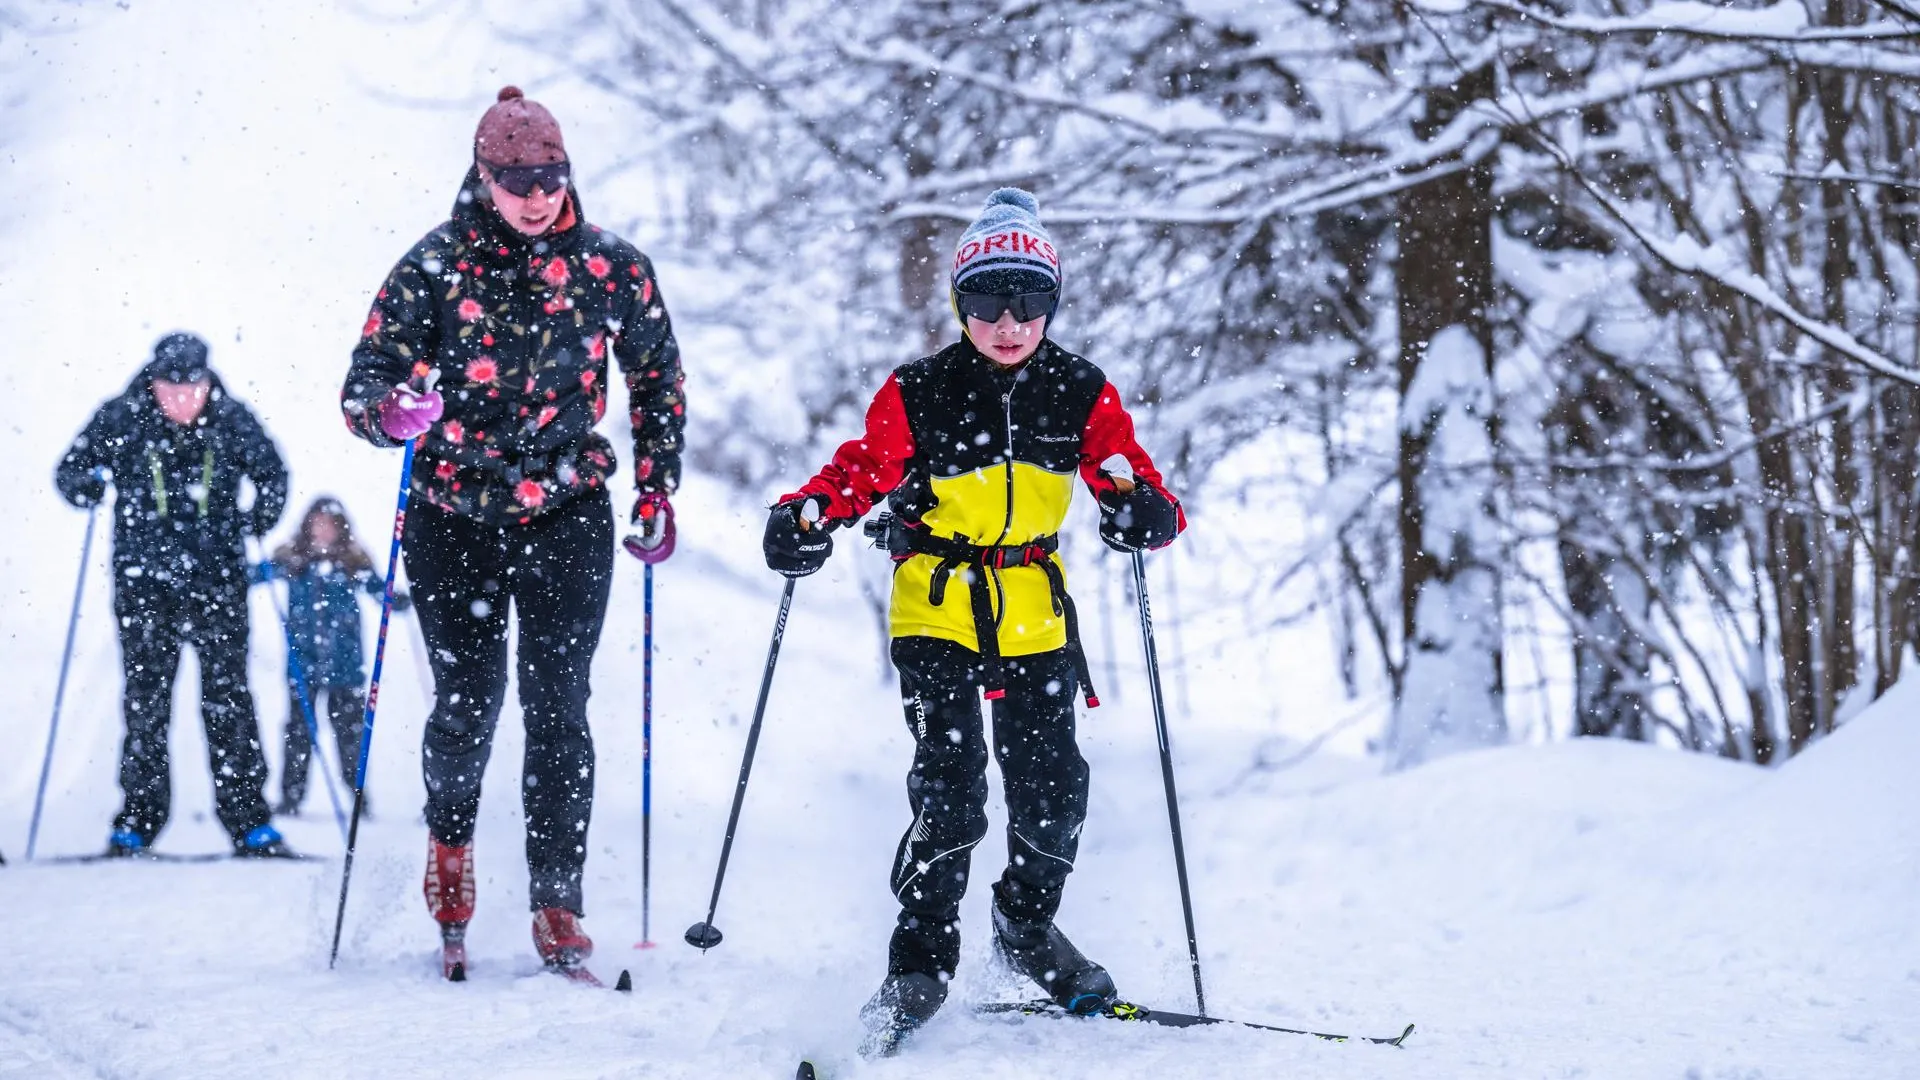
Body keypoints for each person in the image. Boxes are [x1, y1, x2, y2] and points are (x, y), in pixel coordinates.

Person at [763, 188, 1185, 1053]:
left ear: (1050, 306)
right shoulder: (921, 391)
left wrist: (1146, 512)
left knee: (1055, 790)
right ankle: (918, 963)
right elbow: (860, 471)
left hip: (1034, 609)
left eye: (1028, 301)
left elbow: (1134, 482)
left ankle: (1025, 931)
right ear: (961, 304)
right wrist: (805, 516)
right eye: (988, 300)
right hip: (940, 606)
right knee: (952, 795)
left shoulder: (1079, 391)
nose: (1007, 321)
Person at [340, 86, 685, 979]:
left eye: (550, 176)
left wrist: (657, 488)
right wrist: (392, 411)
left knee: (558, 701)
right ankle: (450, 854)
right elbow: (364, 381)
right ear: (484, 176)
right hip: (454, 511)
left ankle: (557, 898)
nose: (535, 195)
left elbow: (657, 379)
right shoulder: (435, 265)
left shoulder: (613, 267)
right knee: (467, 701)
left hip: (569, 506)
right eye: (515, 178)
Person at [55, 332, 293, 858]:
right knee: (146, 705)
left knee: (229, 701)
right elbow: (68, 471)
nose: (182, 398)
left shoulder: (232, 418)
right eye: (171, 387)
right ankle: (137, 822)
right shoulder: (122, 416)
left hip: (219, 583)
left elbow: (274, 473)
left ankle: (251, 822)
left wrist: (260, 516)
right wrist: (86, 487)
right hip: (144, 587)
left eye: (193, 387)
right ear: (153, 380)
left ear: (209, 380)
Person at [253, 497, 408, 817]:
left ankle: (359, 799)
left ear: (341, 530)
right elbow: (255, 575)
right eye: (318, 523)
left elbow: (383, 592)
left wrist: (400, 598)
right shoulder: (293, 562)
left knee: (350, 736)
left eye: (330, 525)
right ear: (307, 526)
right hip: (303, 665)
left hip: (346, 666)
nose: (323, 531)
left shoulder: (352, 565)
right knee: (298, 732)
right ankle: (290, 798)